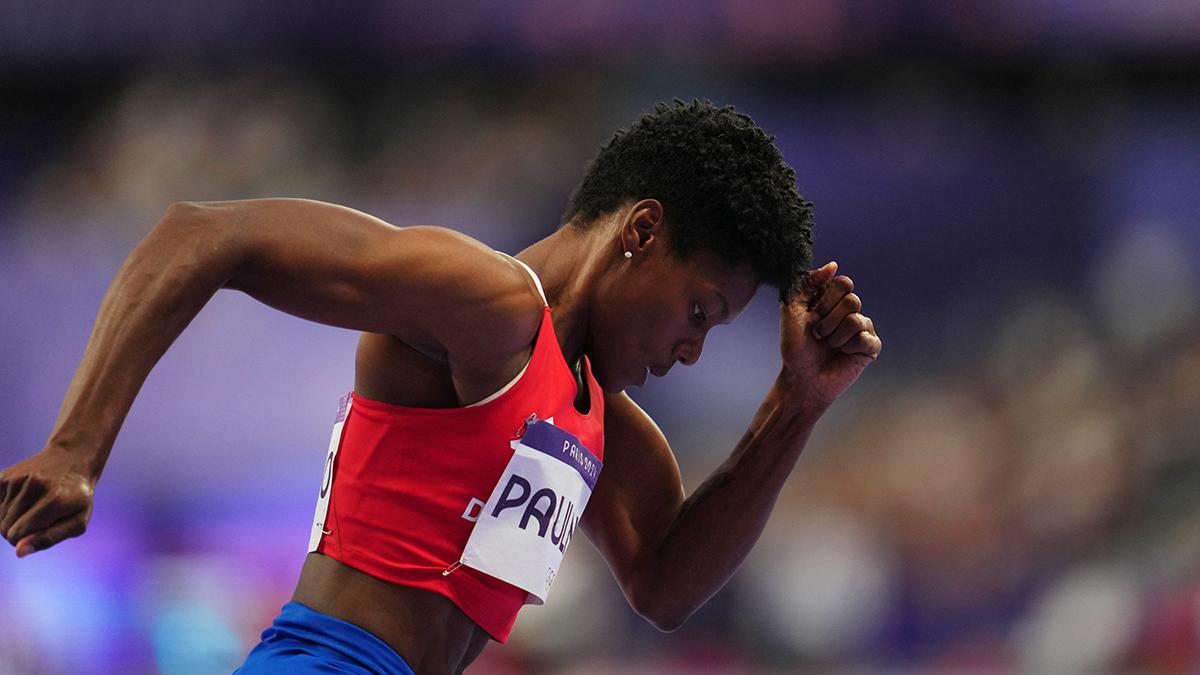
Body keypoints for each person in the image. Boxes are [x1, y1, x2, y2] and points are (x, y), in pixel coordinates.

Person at [0, 100, 881, 674]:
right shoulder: (487, 304)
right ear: (641, 232)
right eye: (698, 311)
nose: (690, 350)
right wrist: (79, 445)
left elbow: (664, 587)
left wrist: (796, 403)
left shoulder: (599, 417)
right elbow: (202, 235)